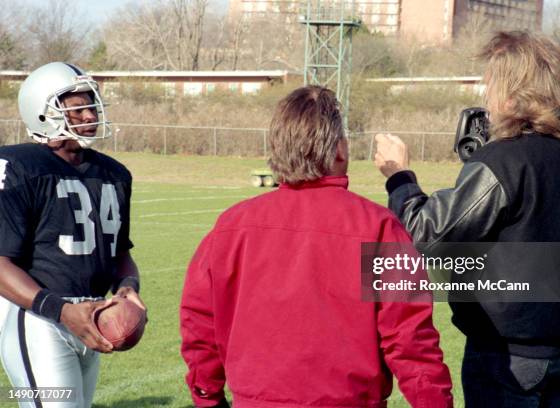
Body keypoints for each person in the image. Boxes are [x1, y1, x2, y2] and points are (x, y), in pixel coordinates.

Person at [375, 31, 560, 407]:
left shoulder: (507, 160)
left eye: (493, 84)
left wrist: (399, 176)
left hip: (508, 354)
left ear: (515, 90)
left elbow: (423, 234)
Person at [180, 85, 453, 408]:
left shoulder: (231, 226)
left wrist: (207, 395)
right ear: (340, 150)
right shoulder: (379, 227)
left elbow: (199, 326)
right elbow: (410, 339)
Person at [0, 62, 145, 408]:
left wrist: (128, 288)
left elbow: (120, 252)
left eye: (91, 105)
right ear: (42, 114)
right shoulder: (20, 167)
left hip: (91, 317)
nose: (90, 114)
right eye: (78, 108)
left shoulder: (113, 173)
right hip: (39, 321)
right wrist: (62, 312)